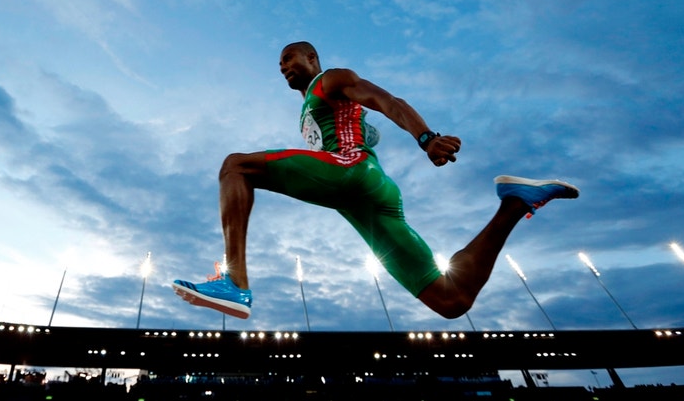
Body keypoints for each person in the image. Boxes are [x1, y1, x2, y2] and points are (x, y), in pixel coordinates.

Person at [173, 41, 578, 320]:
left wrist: (426, 137)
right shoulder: (312, 108)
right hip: (365, 199)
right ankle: (514, 203)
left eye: (289, 58)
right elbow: (362, 124)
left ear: (312, 58)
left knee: (235, 166)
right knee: (451, 300)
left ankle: (235, 282)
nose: (283, 67)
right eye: (279, 65)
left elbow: (386, 101)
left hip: (351, 171)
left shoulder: (330, 79)